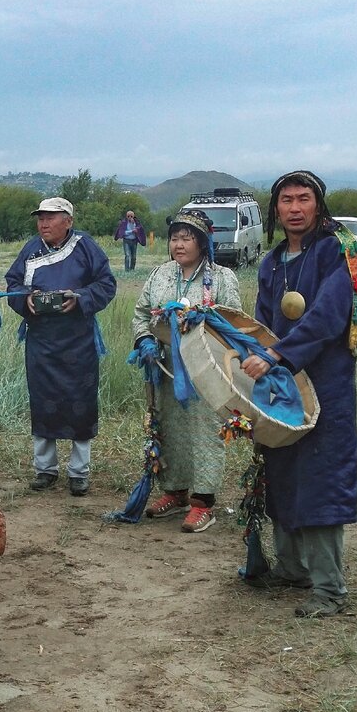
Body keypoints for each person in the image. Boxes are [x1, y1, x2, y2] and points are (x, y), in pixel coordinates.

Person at [241, 170, 357, 618]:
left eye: (303, 198)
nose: (294, 208)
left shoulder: (337, 251)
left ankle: (329, 589)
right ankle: (292, 569)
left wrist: (278, 356)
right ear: (276, 209)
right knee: (283, 466)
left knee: (322, 475)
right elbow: (262, 325)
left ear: (318, 204)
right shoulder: (272, 261)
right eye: (286, 200)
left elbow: (329, 316)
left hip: (325, 379)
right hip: (281, 383)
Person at [132, 210, 242, 533]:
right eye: (175, 238)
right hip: (165, 367)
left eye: (187, 238)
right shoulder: (160, 275)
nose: (179, 245)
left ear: (203, 242)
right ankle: (175, 491)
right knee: (170, 428)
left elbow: (233, 322)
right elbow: (141, 313)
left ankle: (203, 501)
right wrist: (145, 341)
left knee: (205, 430)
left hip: (206, 369)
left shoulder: (221, 278)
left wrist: (202, 320)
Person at [6, 197, 117, 497]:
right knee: (43, 402)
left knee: (80, 403)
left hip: (78, 342)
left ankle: (79, 472)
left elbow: (106, 284)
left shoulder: (86, 247)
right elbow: (13, 283)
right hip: (41, 340)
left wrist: (79, 297)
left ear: (67, 220)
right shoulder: (31, 248)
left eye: (50, 218)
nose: (43, 223)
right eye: (40, 218)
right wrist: (26, 299)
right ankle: (45, 469)